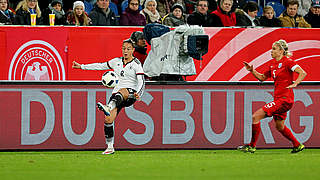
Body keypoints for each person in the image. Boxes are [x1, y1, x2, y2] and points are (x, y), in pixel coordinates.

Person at [72, 39, 145, 155]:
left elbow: (141, 80)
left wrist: (139, 93)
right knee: (108, 119)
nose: (125, 51)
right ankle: (110, 147)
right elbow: (100, 66)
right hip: (117, 95)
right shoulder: (116, 62)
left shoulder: (136, 64)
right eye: (124, 48)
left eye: (128, 49)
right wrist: (81, 66)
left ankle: (108, 106)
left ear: (133, 50)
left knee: (122, 91)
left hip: (130, 94)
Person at [238, 39, 307, 154]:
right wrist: (252, 70)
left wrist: (296, 83)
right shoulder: (273, 65)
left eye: (274, 49)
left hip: (285, 99)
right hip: (280, 100)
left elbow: (302, 73)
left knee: (256, 117)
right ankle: (297, 145)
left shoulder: (288, 61)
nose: (271, 51)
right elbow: (262, 78)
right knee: (279, 126)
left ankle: (252, 146)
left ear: (281, 51)